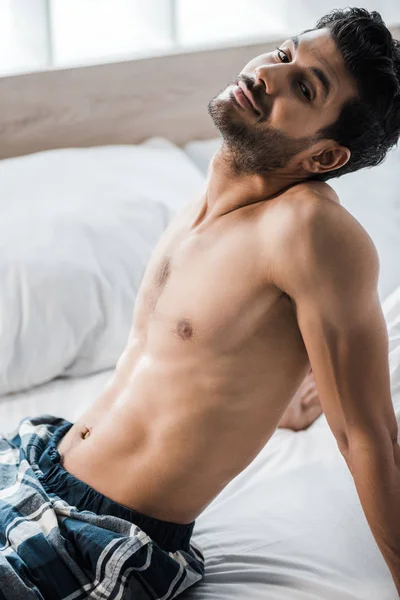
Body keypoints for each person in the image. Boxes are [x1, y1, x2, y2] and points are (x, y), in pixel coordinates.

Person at [1, 7, 400, 599]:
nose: (271, 73)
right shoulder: (213, 190)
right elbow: (212, 349)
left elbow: (368, 437)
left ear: (323, 157)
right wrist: (280, 400)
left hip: (100, 539)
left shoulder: (310, 227)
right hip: (35, 460)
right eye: (287, 53)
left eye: (304, 87)